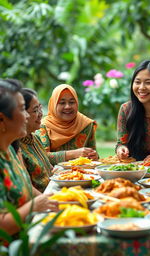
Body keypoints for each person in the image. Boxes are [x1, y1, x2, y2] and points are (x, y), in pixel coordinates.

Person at [0, 79, 58, 235]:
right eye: (22, 109)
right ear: (1, 119)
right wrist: (34, 205)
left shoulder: (10, 152)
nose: (27, 116)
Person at [36, 84, 98, 165]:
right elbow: (42, 156)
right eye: (62, 103)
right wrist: (73, 154)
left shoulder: (86, 124)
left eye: (72, 102)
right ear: (53, 104)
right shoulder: (43, 126)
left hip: (83, 175)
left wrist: (94, 156)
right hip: (53, 175)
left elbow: (94, 156)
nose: (67, 106)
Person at [19, 88, 52, 192]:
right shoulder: (15, 146)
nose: (41, 114)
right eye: (35, 110)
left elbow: (49, 168)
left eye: (40, 109)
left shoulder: (35, 138)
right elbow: (27, 189)